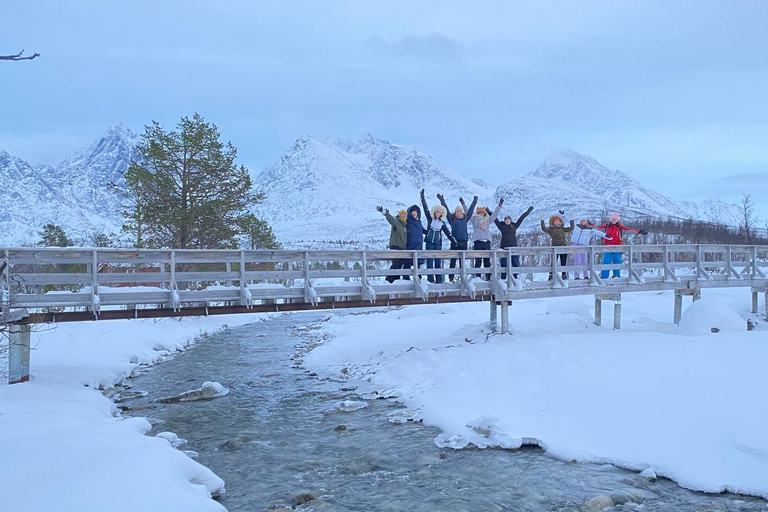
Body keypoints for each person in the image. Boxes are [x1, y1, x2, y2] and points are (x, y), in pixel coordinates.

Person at [589, 213, 647, 279]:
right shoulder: (606, 226)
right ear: (610, 220)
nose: (614, 220)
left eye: (615, 219)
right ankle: (604, 276)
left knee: (617, 261)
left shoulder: (620, 227)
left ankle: (616, 275)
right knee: (606, 261)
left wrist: (639, 231)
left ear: (617, 220)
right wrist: (590, 224)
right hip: (607, 247)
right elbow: (597, 228)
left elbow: (628, 230)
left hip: (618, 247)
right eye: (612, 219)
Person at [438, 193, 478, 282]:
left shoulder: (465, 219)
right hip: (455, 242)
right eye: (457, 211)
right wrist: (442, 201)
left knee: (462, 261)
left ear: (462, 212)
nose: (459, 212)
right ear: (455, 213)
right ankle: (451, 277)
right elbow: (447, 211)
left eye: (460, 211)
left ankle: (463, 277)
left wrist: (474, 202)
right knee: (453, 260)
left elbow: (470, 211)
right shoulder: (452, 219)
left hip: (464, 242)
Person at [421, 189, 456, 283]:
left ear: (441, 214)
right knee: (429, 262)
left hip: (438, 244)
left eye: (439, 212)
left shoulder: (442, 223)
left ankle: (439, 280)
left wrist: (454, 242)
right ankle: (430, 280)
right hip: (429, 243)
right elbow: (425, 209)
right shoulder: (430, 219)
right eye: (436, 212)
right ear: (434, 213)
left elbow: (448, 234)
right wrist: (423, 198)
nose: (437, 213)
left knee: (438, 262)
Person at [495, 205, 534, 280]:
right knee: (504, 264)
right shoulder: (501, 226)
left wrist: (528, 212)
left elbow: (521, 218)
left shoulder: (514, 226)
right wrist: (489, 212)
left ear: (510, 220)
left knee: (515, 263)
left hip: (513, 247)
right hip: (504, 247)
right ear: (504, 221)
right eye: (506, 219)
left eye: (508, 219)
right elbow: (495, 219)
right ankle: (503, 278)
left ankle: (515, 278)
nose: (507, 221)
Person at [470, 199, 503, 280]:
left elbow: (495, 214)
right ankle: (477, 277)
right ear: (477, 213)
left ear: (484, 213)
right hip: (478, 242)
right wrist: (463, 204)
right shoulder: (474, 220)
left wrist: (499, 205)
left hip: (486, 242)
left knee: (487, 260)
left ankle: (488, 277)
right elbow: (468, 212)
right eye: (479, 212)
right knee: (478, 260)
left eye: (482, 212)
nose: (481, 214)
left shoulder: (488, 220)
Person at [376, 206, 408, 283]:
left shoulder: (405, 226)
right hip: (395, 246)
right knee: (395, 264)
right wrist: (385, 213)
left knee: (399, 265)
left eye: (404, 214)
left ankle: (396, 281)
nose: (403, 215)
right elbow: (391, 219)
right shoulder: (396, 222)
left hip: (402, 248)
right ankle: (388, 280)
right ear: (399, 215)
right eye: (402, 214)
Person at [540, 211, 575, 281]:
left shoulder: (563, 229)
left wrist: (572, 220)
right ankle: (551, 275)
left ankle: (564, 275)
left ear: (561, 222)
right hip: (554, 247)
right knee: (553, 262)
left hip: (563, 247)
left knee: (563, 262)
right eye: (555, 221)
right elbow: (544, 228)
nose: (557, 222)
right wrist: (542, 220)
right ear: (553, 223)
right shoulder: (551, 229)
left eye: (558, 221)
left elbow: (571, 228)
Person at [404, 203, 426, 279]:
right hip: (409, 246)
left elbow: (424, 231)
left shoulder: (419, 223)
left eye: (416, 212)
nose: (414, 213)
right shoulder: (407, 221)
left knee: (418, 265)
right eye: (412, 211)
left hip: (418, 247)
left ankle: (418, 280)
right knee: (407, 264)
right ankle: (405, 280)